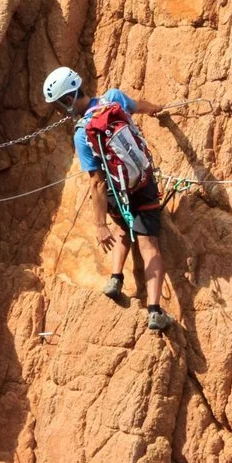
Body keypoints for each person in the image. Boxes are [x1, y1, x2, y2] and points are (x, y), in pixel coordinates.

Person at [44, 66, 182, 334]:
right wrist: (156, 108)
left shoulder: (82, 133)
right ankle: (154, 311)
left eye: (59, 105)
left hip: (116, 191)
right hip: (141, 183)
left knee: (122, 226)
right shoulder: (114, 98)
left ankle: (115, 279)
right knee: (149, 244)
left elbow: (96, 182)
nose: (59, 111)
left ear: (67, 100)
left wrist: (99, 224)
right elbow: (138, 106)